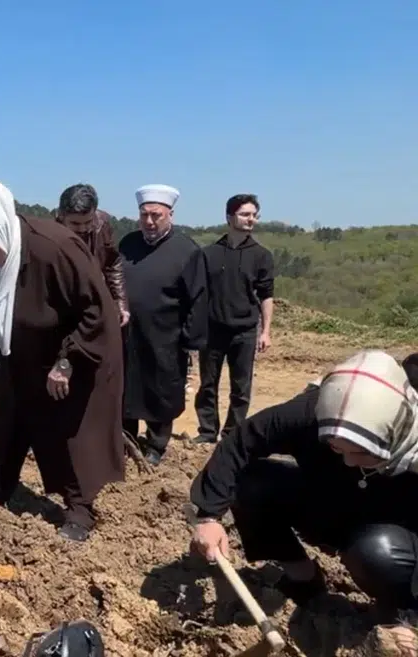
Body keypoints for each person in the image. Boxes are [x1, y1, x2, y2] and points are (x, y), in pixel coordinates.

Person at [189, 350, 418, 615]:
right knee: (251, 483)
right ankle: (304, 579)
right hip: (331, 502)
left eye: (363, 453)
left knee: (376, 552)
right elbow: (241, 441)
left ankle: (404, 611)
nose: (348, 462)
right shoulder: (313, 411)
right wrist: (209, 517)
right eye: (335, 448)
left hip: (394, 530)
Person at [0, 180, 123, 543]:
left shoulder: (55, 248)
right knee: (8, 424)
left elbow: (94, 309)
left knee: (68, 435)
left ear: (2, 232)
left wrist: (67, 362)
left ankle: (80, 510)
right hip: (19, 358)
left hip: (68, 357)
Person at [119, 184, 208, 465]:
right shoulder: (128, 244)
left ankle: (156, 445)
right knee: (127, 388)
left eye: (156, 215)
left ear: (170, 214)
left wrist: (190, 339)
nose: (149, 221)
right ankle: (127, 439)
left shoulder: (187, 250)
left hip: (166, 336)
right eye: (144, 215)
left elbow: (199, 298)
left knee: (160, 390)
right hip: (128, 334)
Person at [195, 194, 275, 444]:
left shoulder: (262, 255)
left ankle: (232, 434)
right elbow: (198, 293)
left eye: (254, 215)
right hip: (212, 329)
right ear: (229, 217)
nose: (251, 219)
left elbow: (266, 295)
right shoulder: (208, 254)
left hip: (245, 331)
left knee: (241, 388)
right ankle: (207, 432)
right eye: (245, 214)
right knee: (208, 385)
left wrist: (266, 331)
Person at [56, 184, 128, 326]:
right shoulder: (50, 233)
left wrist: (120, 302)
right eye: (75, 224)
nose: (83, 229)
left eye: (88, 222)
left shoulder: (102, 224)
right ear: (61, 215)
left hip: (95, 302)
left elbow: (112, 263)